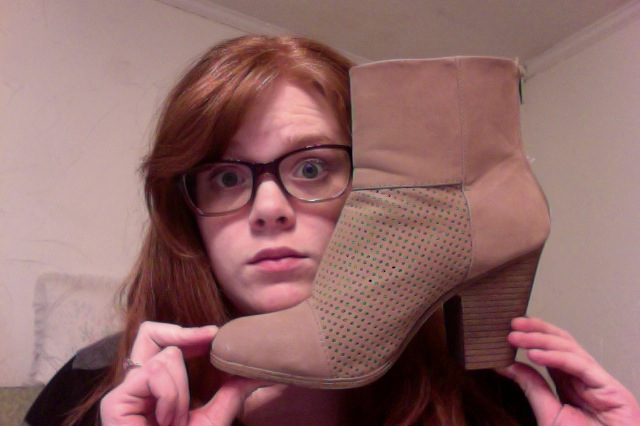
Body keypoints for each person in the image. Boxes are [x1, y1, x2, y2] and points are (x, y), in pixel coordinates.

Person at [25, 35, 639, 426]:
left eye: (313, 167)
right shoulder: (91, 389)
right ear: (187, 214)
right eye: (226, 177)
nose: (269, 207)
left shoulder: (496, 403)